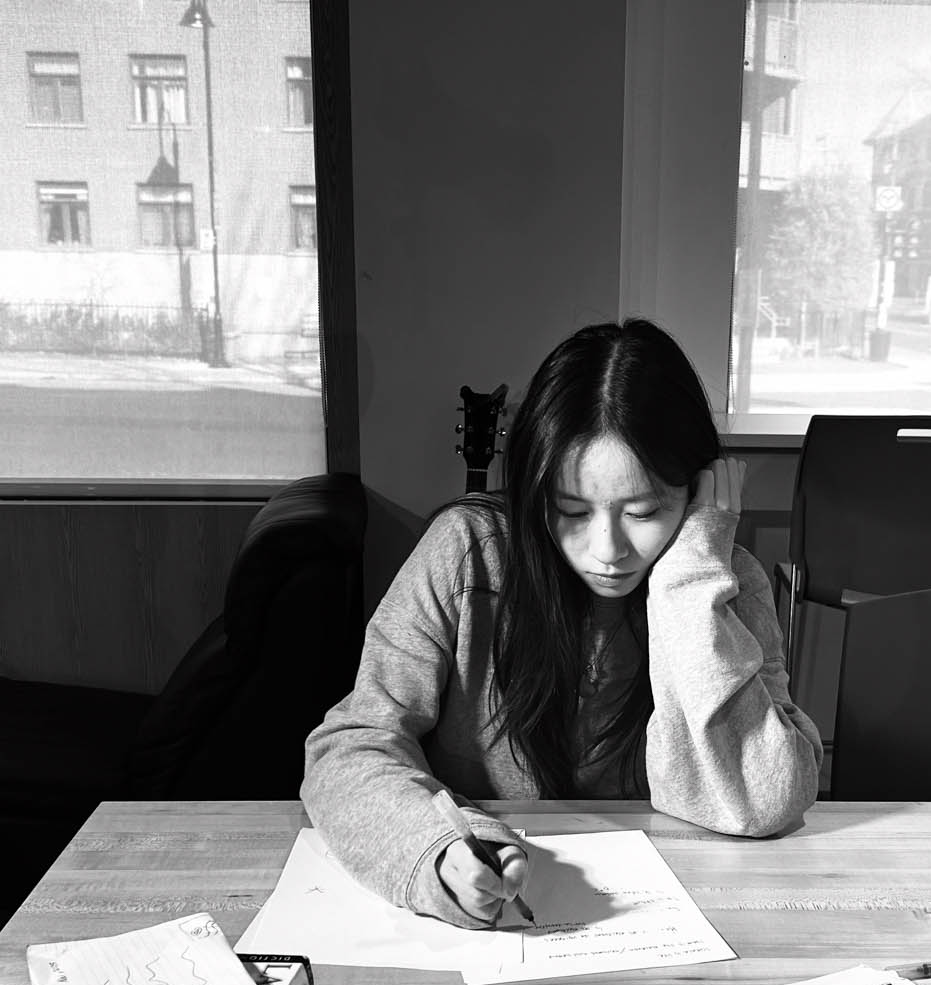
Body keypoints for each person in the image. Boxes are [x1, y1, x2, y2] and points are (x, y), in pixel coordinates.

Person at [301, 318, 822, 928]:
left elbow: (767, 799)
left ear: (698, 490)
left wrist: (690, 585)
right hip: (496, 925)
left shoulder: (724, 580)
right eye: (571, 510)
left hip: (669, 912)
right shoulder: (467, 554)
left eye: (644, 512)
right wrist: (434, 851)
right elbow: (350, 746)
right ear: (534, 491)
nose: (607, 550)